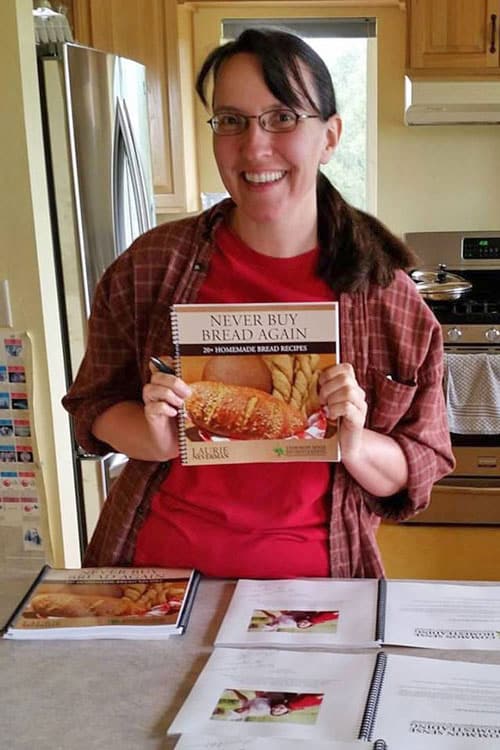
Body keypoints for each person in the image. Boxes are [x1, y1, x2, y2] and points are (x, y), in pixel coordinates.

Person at [62, 27, 454, 577]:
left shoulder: (387, 297)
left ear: (330, 135)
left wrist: (356, 444)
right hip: (157, 580)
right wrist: (151, 436)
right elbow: (92, 405)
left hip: (318, 588)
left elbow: (422, 462)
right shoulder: (150, 267)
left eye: (282, 118)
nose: (254, 147)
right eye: (231, 121)